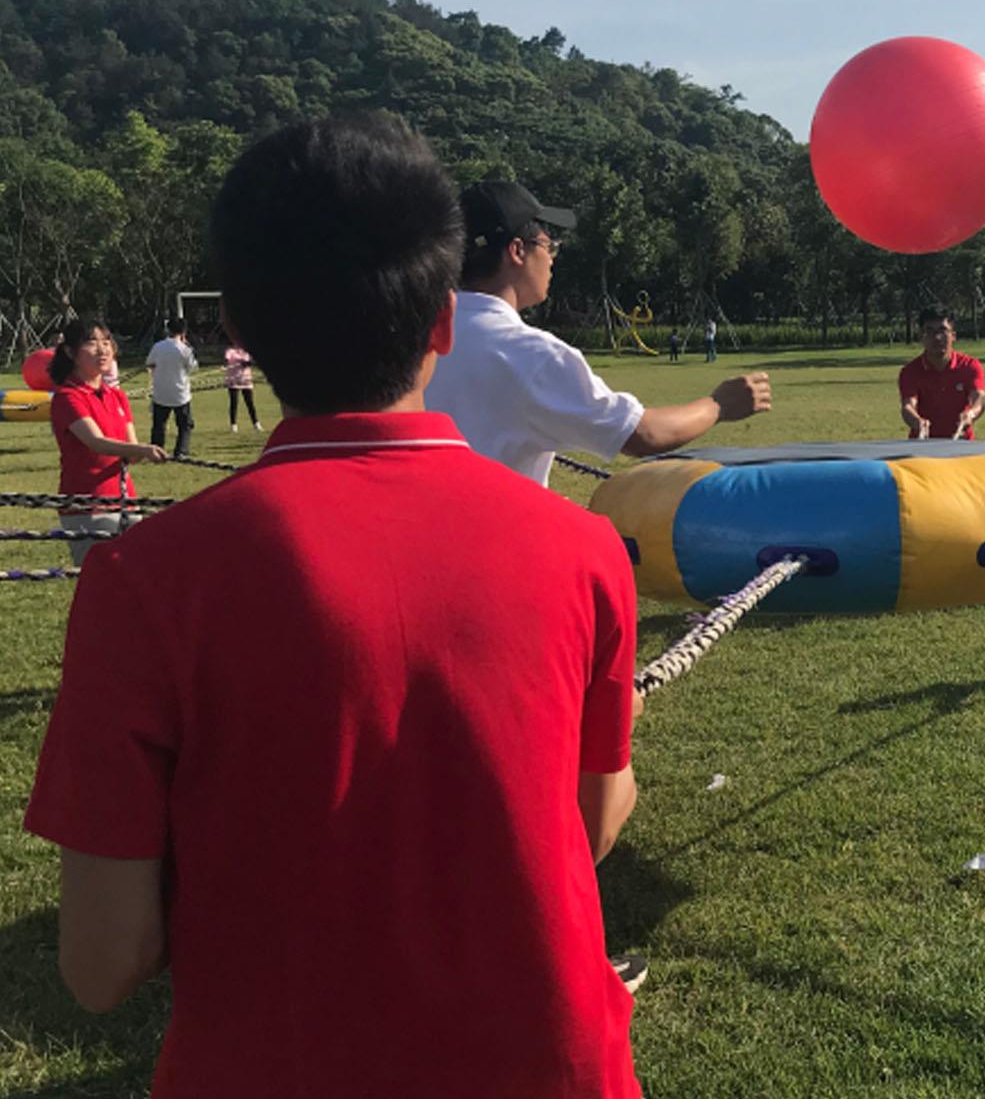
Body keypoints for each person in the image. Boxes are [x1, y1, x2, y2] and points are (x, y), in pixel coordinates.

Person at [25, 114, 647, 1096]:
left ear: (240, 332)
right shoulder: (586, 549)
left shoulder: (147, 581)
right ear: (441, 320)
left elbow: (102, 965)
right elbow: (596, 820)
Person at [424, 179, 772, 486]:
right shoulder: (530, 354)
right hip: (493, 548)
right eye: (549, 246)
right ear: (517, 251)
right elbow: (642, 435)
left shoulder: (413, 339)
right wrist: (718, 405)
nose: (552, 259)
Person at [46, 317, 168, 565]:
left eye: (106, 341)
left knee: (138, 576)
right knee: (101, 581)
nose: (102, 349)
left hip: (125, 500)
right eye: (91, 342)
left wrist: (140, 452)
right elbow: (96, 442)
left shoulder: (117, 396)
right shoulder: (68, 397)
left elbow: (130, 451)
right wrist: (143, 450)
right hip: (86, 505)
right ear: (70, 352)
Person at [899, 307, 985, 440]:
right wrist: (918, 422)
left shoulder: (969, 366)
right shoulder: (910, 372)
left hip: (962, 445)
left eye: (943, 331)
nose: (937, 337)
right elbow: (908, 406)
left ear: (953, 336)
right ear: (921, 337)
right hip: (921, 449)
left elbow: (978, 398)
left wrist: (971, 414)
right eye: (930, 331)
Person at [144, 316, 197, 458]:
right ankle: (181, 451)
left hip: (161, 391)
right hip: (180, 392)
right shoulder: (185, 349)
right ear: (183, 331)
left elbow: (149, 362)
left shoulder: (158, 346)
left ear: (168, 330)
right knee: (185, 425)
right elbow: (192, 368)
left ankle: (157, 450)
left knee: (159, 424)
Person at [224, 340, 261, 431]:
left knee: (250, 403)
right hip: (233, 381)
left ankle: (256, 423)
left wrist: (247, 363)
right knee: (234, 403)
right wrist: (227, 364)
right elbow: (226, 360)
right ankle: (233, 425)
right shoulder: (230, 351)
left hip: (246, 380)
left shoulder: (247, 351)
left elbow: (251, 361)